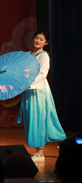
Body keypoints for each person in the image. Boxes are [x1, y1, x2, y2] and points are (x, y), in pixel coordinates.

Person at [17, 31, 66, 162]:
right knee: (31, 119)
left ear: (46, 42)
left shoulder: (44, 56)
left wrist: (28, 82)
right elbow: (17, 69)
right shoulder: (28, 54)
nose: (38, 41)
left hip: (38, 90)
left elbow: (43, 74)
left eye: (41, 39)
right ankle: (40, 150)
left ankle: (40, 153)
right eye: (36, 38)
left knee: (38, 119)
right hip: (28, 91)